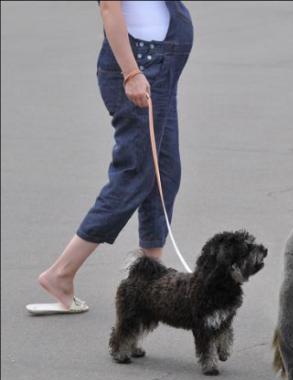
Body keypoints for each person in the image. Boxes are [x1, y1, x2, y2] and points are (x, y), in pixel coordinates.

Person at [29, 1, 194, 314]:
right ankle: (61, 273)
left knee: (165, 172)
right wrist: (131, 73)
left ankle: (150, 275)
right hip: (141, 66)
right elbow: (109, 8)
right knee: (134, 174)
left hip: (160, 67)